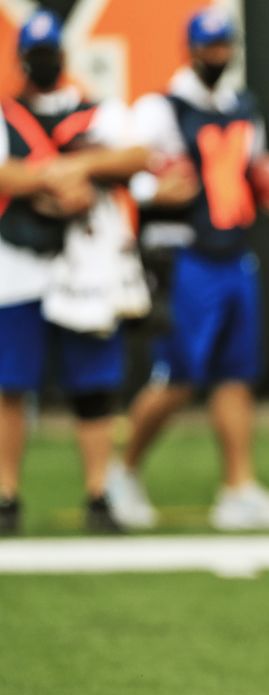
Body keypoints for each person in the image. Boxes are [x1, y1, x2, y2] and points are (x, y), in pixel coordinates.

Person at [105, 6, 269, 531]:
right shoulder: (159, 109)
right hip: (184, 253)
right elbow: (129, 171)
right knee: (177, 376)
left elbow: (249, 173)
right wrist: (154, 190)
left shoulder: (242, 106)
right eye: (209, 47)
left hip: (234, 253)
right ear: (191, 49)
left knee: (236, 376)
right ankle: (121, 473)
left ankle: (238, 489)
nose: (217, 56)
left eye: (224, 46)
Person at [0, 10, 153, 535]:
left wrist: (81, 167)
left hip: (85, 266)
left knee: (93, 386)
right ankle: (6, 496)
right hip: (18, 265)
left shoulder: (96, 112)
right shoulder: (7, 114)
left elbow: (136, 155)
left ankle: (97, 495)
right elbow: (4, 170)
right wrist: (54, 179)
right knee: (10, 384)